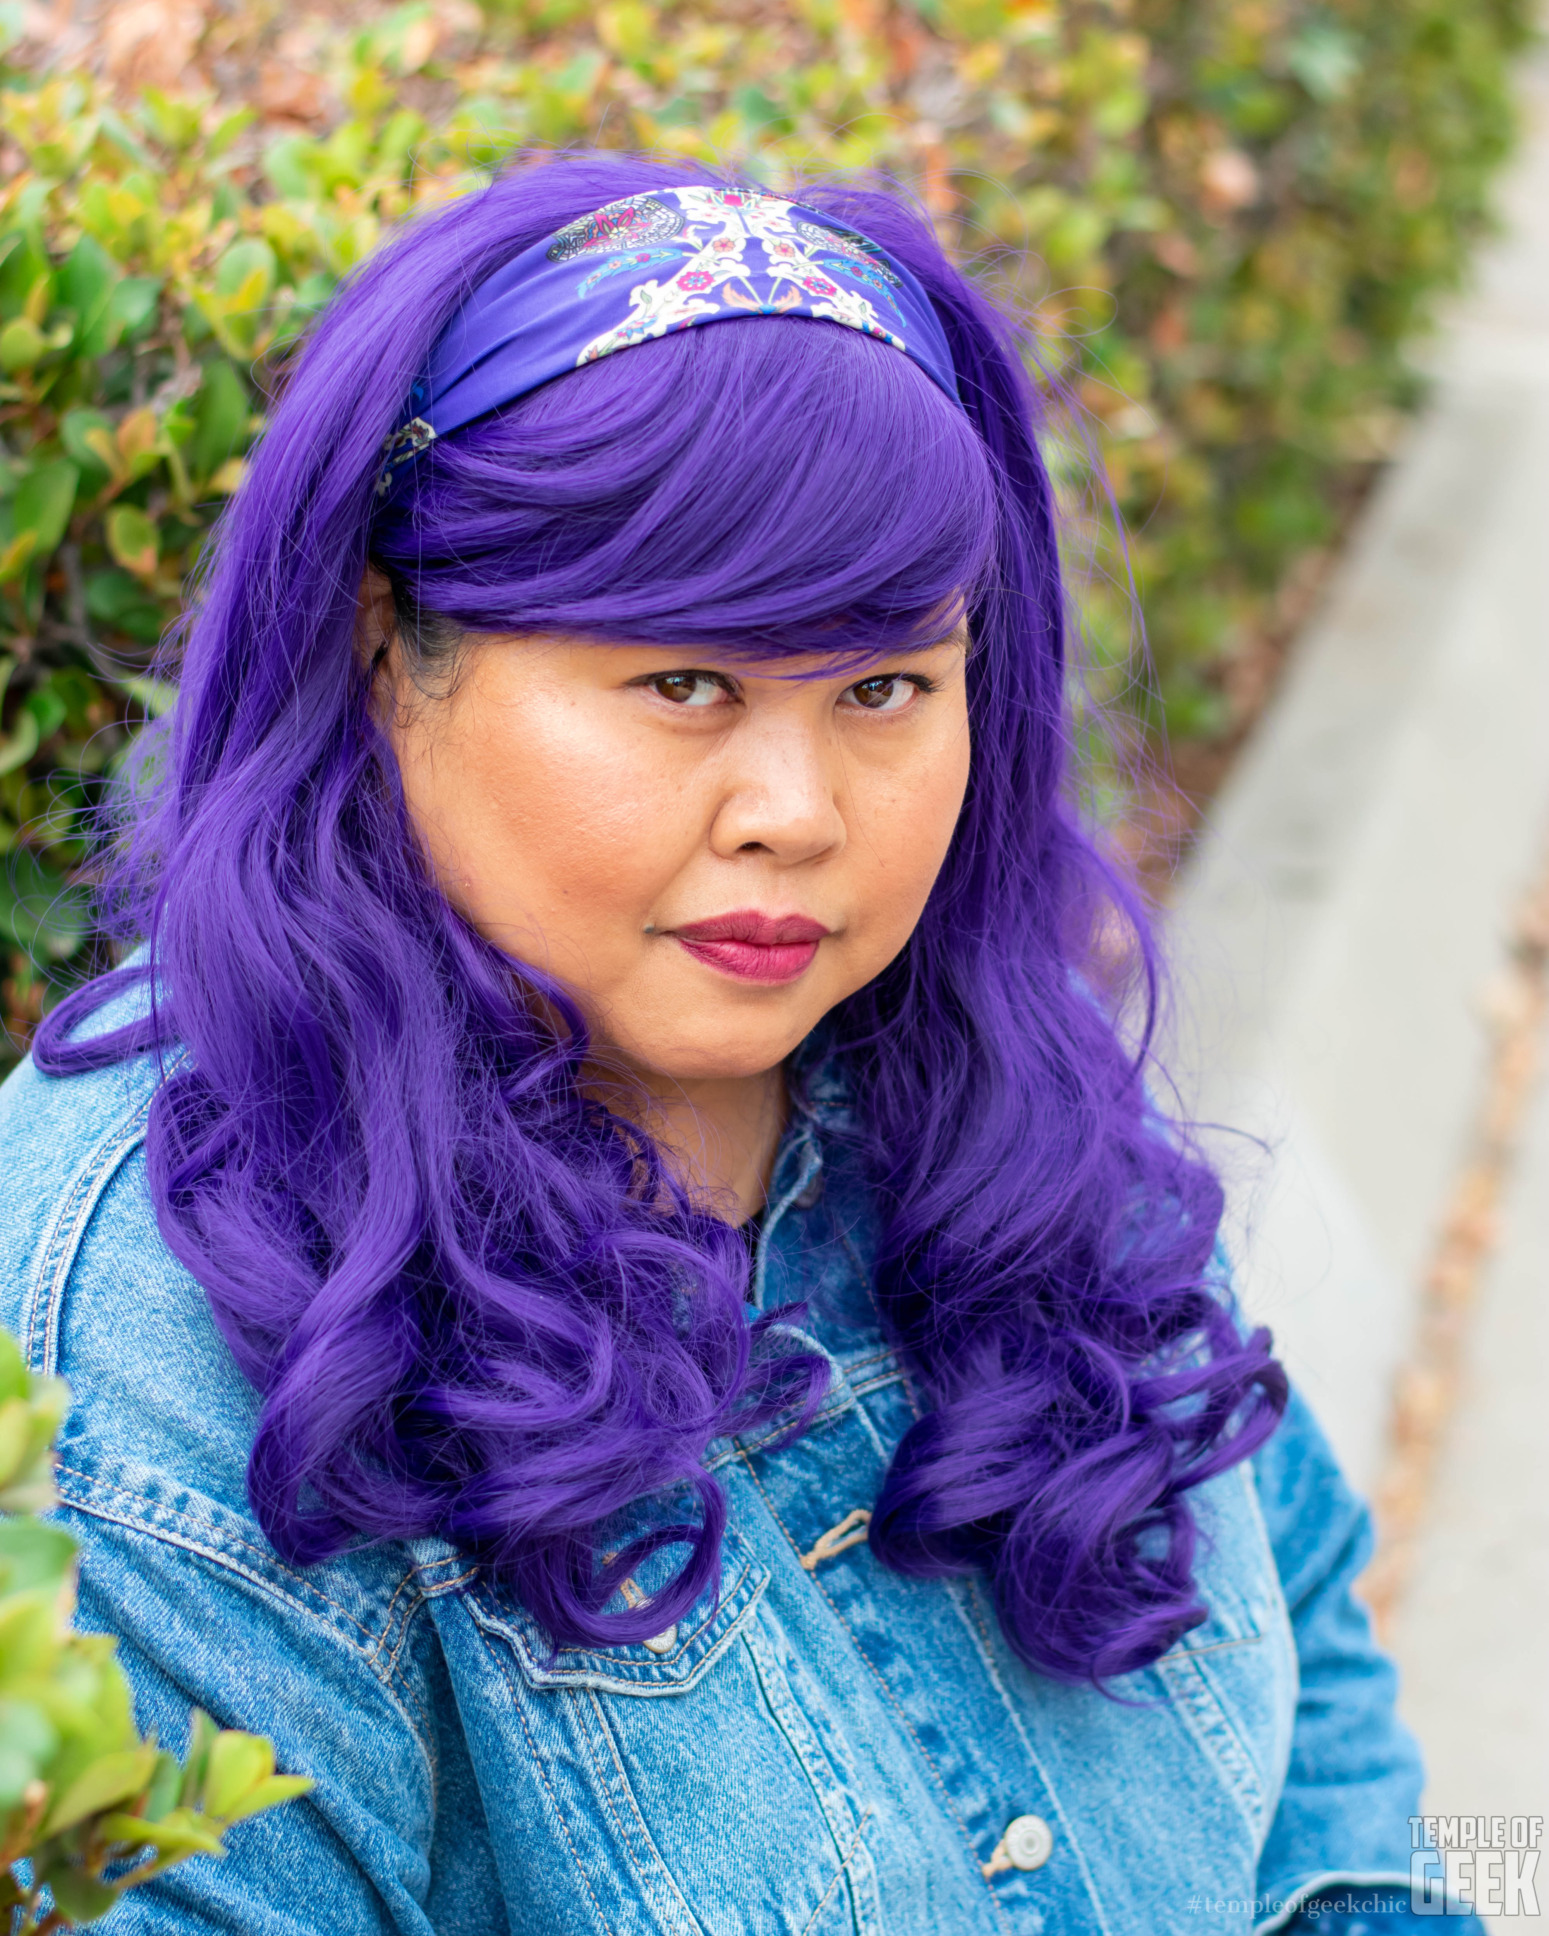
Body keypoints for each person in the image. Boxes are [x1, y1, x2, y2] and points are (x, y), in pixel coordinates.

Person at [0, 158, 1450, 1933]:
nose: (796, 812)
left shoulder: (970, 1076)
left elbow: (1301, 1666)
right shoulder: (159, 1307)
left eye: (882, 691)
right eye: (685, 685)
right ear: (389, 652)